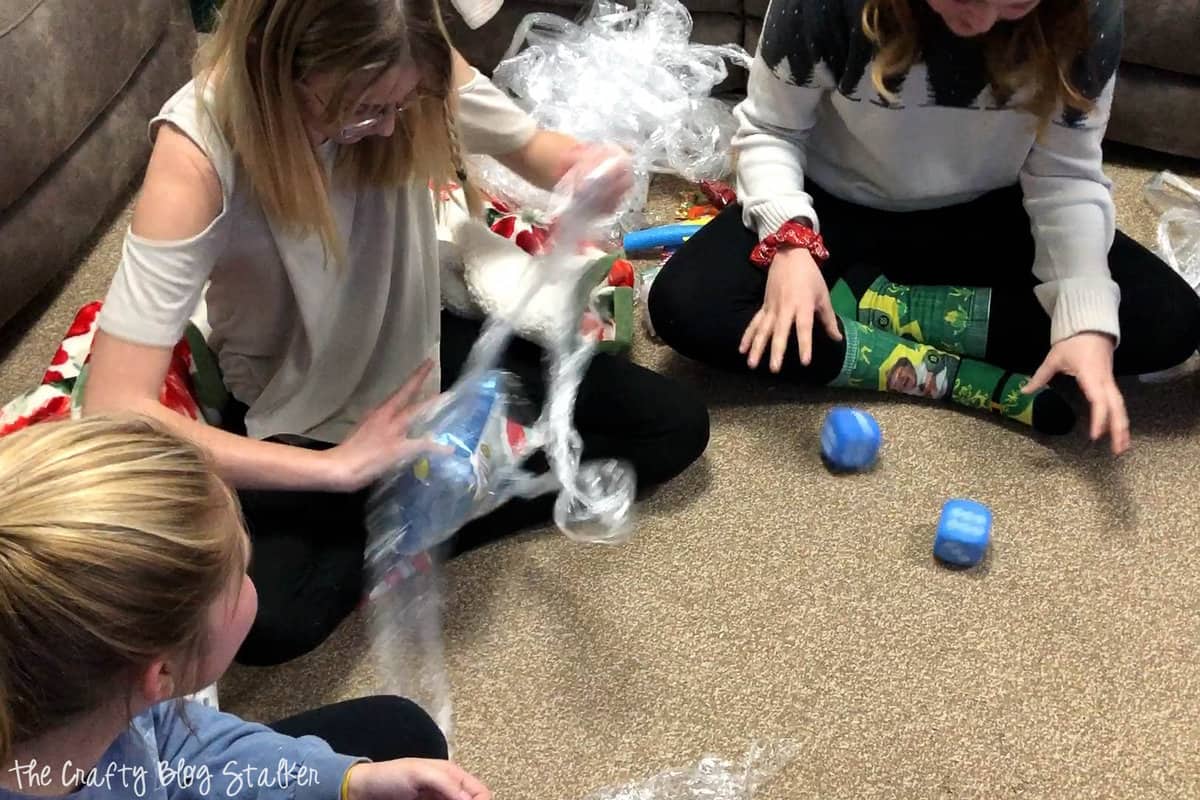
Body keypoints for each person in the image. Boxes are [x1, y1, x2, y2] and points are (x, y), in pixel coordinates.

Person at [83, 0, 710, 667]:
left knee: (671, 427)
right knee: (265, 621)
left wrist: (591, 171)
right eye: (362, 110)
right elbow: (116, 405)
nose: (387, 128)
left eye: (402, 106)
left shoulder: (408, 60)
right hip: (298, 414)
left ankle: (424, 501)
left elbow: (538, 152)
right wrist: (333, 469)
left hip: (425, 362)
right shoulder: (197, 152)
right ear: (280, 68)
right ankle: (431, 493)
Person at [647, 0, 1200, 453]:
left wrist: (1082, 315)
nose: (979, 24)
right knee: (686, 304)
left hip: (985, 207)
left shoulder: (1087, 11)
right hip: (834, 204)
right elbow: (769, 131)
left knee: (1166, 322)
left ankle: (870, 309)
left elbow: (1064, 173)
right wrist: (791, 242)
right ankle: (954, 373)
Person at [0, 416, 488, 800]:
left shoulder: (109, 709)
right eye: (238, 578)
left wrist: (346, 783)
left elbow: (174, 747)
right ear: (160, 676)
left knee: (401, 732)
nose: (253, 583)